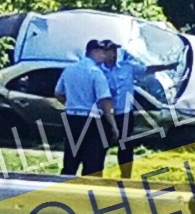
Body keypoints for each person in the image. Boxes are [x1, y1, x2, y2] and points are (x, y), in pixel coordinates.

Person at [55, 39, 119, 176]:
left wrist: (71, 102)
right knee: (93, 160)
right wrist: (113, 124)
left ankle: (64, 185)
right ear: (94, 52)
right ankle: (89, 189)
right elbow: (105, 100)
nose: (104, 55)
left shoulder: (69, 69)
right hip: (91, 119)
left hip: (71, 117)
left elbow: (58, 93)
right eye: (102, 52)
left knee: (71, 157)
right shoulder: (96, 72)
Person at [103, 42, 166, 179]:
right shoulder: (99, 70)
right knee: (101, 146)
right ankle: (96, 175)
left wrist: (167, 67)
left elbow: (147, 70)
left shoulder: (127, 68)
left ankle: (126, 176)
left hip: (124, 113)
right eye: (109, 51)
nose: (112, 54)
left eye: (114, 50)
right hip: (105, 114)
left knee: (125, 146)